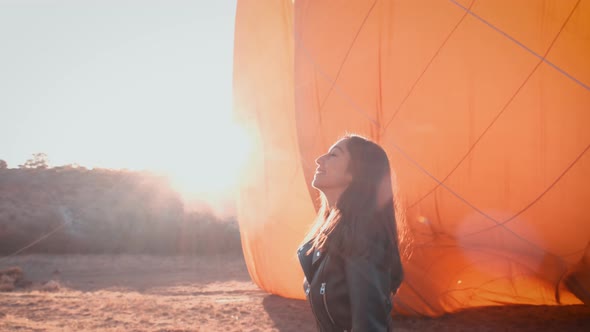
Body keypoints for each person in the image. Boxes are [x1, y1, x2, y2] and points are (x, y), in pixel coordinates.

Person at [297, 134, 404, 332]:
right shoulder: (331, 235)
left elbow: (369, 326)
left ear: (356, 173)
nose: (319, 160)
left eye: (333, 155)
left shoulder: (365, 239)